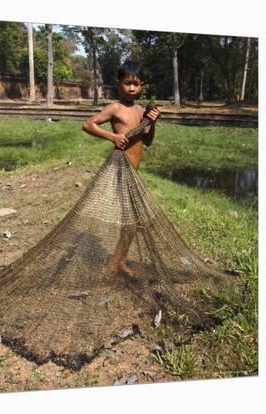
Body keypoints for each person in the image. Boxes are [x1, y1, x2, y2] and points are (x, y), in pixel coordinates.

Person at [82, 60, 161, 278]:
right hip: (121, 170)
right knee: (132, 223)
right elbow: (88, 124)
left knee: (132, 223)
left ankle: (120, 262)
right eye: (127, 83)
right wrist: (112, 136)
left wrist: (151, 123)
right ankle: (111, 266)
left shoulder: (141, 110)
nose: (132, 88)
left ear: (141, 85)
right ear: (119, 84)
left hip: (134, 173)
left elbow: (148, 142)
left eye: (136, 84)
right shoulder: (115, 108)